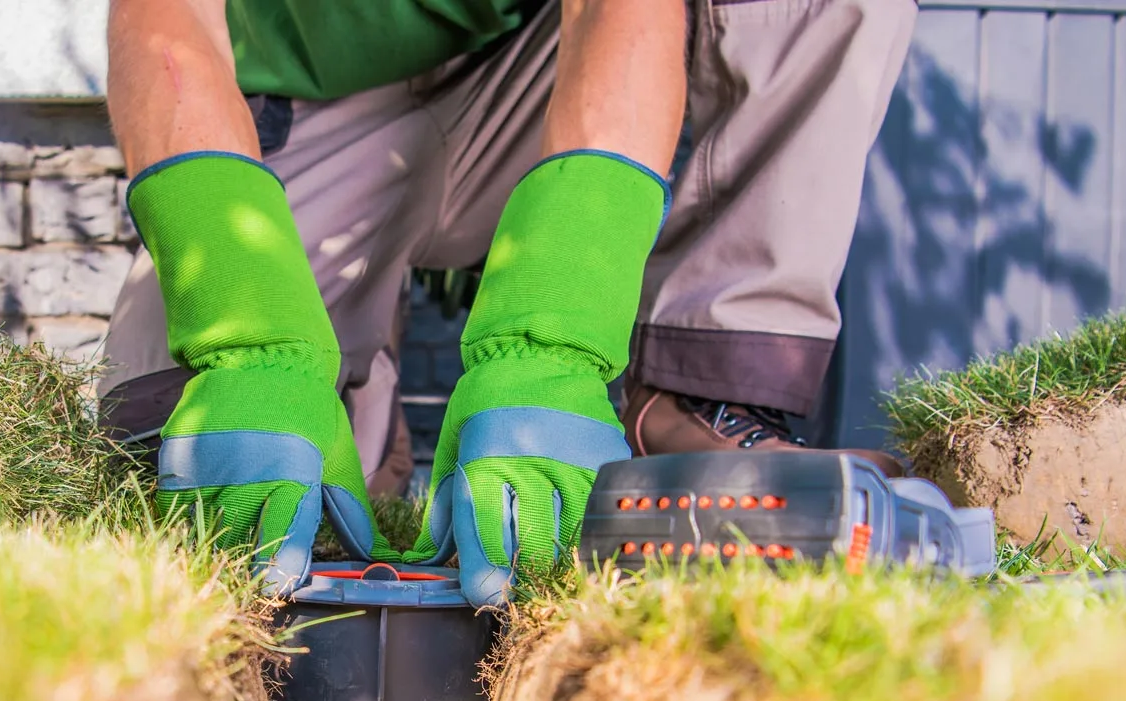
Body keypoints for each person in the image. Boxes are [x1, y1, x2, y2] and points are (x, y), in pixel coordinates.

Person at [100, 0, 914, 606]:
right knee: (160, 443)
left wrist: (549, 343)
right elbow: (163, 26)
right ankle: (363, 412)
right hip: (304, 109)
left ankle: (694, 392)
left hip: (537, 73)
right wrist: (250, 343)